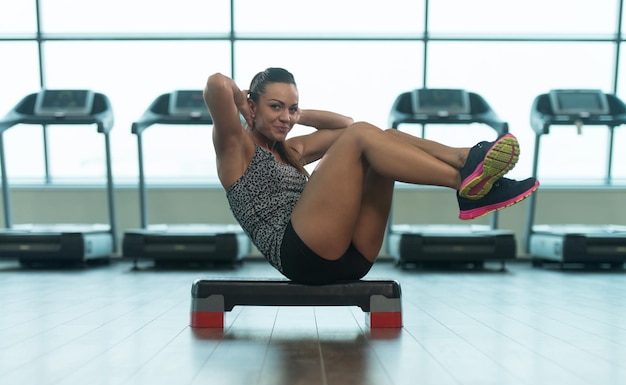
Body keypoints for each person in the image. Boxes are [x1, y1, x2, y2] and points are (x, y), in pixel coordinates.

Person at [203, 67, 538, 285]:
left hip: (353, 258)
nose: (285, 117)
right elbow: (217, 84)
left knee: (385, 136)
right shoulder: (237, 149)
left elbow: (344, 124)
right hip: (301, 256)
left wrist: (298, 115)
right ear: (252, 106)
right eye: (275, 107)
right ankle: (463, 174)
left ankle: (468, 170)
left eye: (292, 108)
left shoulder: (293, 150)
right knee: (363, 136)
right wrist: (243, 103)